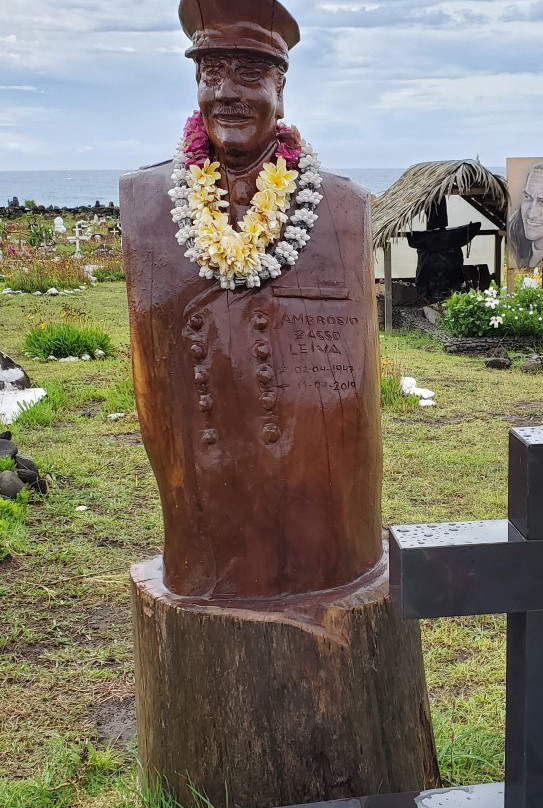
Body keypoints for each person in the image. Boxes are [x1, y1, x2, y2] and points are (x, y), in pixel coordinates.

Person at [120, 0, 383, 599]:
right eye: (212, 75)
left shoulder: (342, 206)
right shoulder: (144, 199)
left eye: (248, 74)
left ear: (280, 92)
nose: (228, 93)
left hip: (320, 520)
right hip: (204, 523)